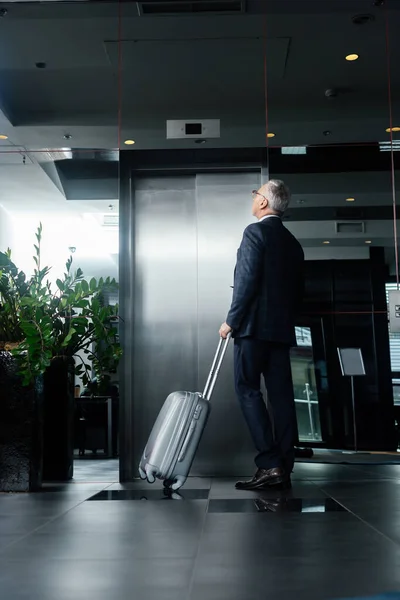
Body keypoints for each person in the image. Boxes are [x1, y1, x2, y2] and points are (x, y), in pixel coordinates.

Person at [219, 179, 304, 490]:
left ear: (264, 203)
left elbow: (247, 281)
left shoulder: (254, 232)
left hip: (252, 329)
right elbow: (298, 293)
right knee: (281, 398)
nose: (253, 197)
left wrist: (231, 320)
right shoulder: (293, 242)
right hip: (280, 332)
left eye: (256, 194)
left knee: (247, 389)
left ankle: (269, 464)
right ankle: (285, 465)